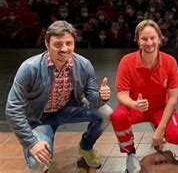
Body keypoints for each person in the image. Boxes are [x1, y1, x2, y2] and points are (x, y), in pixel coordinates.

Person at [5, 20, 113, 172]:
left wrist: (102, 97)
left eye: (69, 43)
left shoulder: (84, 65)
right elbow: (12, 109)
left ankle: (86, 147)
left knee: (106, 113)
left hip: (67, 110)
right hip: (40, 119)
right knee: (38, 163)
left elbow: (94, 101)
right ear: (47, 44)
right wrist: (31, 143)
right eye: (58, 44)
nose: (64, 49)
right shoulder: (29, 68)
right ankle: (41, 143)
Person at [110, 19, 178, 173]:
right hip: (136, 108)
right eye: (144, 39)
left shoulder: (170, 62)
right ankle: (130, 153)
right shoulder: (127, 61)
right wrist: (134, 104)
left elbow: (172, 99)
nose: (149, 42)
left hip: (160, 108)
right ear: (138, 41)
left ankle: (158, 127)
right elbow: (121, 95)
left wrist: (161, 129)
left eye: (153, 38)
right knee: (117, 116)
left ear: (160, 39)